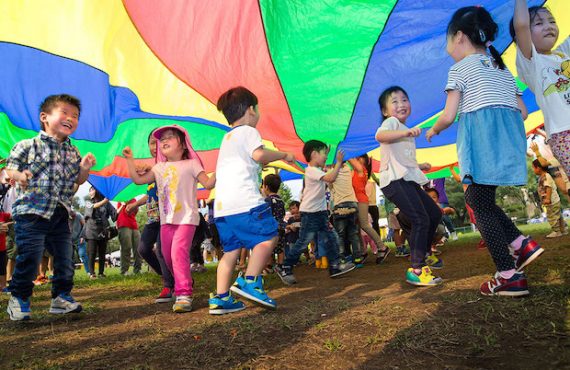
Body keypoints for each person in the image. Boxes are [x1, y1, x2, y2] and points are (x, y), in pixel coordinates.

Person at [426, 6, 543, 296]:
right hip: (507, 140)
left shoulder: (460, 69)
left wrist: (434, 129)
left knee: (478, 205)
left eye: (448, 40)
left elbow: (449, 115)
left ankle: (508, 274)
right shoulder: (502, 70)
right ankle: (521, 244)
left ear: (460, 37)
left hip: (480, 141)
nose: (448, 47)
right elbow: (524, 112)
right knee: (482, 201)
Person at [5, 94, 96, 321]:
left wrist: (84, 168)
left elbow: (78, 181)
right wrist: (19, 175)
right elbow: (9, 170)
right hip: (31, 212)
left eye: (75, 116)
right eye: (64, 112)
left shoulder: (73, 152)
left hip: (60, 212)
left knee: (65, 257)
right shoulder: (26, 146)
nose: (71, 118)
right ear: (44, 117)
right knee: (31, 255)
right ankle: (19, 298)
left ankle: (61, 297)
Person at [209, 86, 295, 315]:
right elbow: (259, 155)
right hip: (244, 200)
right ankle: (250, 281)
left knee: (231, 252)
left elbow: (247, 162)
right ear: (250, 110)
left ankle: (221, 298)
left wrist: (258, 163)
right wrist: (283, 155)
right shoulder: (248, 131)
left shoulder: (227, 139)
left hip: (222, 208)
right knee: (269, 236)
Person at [124, 125, 215, 313]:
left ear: (183, 144)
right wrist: (130, 160)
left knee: (178, 253)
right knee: (167, 256)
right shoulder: (159, 168)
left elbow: (207, 182)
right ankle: (184, 282)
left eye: (170, 137)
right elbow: (138, 180)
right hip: (166, 221)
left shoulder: (191, 164)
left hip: (187, 219)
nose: (163, 141)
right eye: (161, 139)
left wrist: (223, 170)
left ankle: (183, 293)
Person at [376, 86, 442, 287]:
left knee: (434, 214)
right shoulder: (392, 123)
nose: (401, 104)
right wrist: (405, 131)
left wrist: (420, 165)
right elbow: (379, 136)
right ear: (385, 111)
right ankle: (417, 268)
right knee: (421, 218)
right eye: (394, 101)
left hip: (405, 179)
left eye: (404, 100)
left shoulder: (402, 130)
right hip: (394, 182)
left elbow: (402, 160)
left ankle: (422, 252)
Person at [276, 140, 356, 285]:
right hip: (311, 214)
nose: (326, 157)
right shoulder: (312, 171)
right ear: (314, 154)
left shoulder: (316, 170)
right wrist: (338, 162)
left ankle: (335, 266)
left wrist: (327, 156)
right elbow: (331, 178)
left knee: (331, 238)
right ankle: (285, 267)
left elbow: (327, 174)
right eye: (324, 153)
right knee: (303, 243)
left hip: (320, 213)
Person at [512, 0, 570, 177]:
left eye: (552, 21)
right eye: (539, 23)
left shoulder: (563, 53)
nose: (548, 26)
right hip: (563, 133)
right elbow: (521, 25)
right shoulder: (531, 61)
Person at [129, 132, 175, 303]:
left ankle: (170, 285)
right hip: (152, 218)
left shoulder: (169, 165)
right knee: (143, 249)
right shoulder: (152, 168)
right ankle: (168, 277)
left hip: (166, 217)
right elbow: (150, 194)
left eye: (159, 142)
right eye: (151, 143)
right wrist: (135, 204)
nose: (154, 147)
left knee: (162, 250)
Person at [350, 155, 390, 264]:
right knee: (357, 227)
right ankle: (363, 251)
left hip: (361, 200)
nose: (357, 159)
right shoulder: (354, 171)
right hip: (355, 201)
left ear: (365, 161)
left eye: (359, 158)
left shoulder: (361, 169)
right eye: (356, 157)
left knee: (364, 225)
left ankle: (382, 247)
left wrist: (347, 150)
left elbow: (350, 158)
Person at [328, 161, 362, 263]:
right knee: (354, 233)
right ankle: (357, 258)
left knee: (340, 235)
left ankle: (341, 259)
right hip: (352, 203)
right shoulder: (348, 170)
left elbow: (330, 187)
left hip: (340, 206)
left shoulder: (331, 173)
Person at [84, 187, 117, 279]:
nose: (91, 192)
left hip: (103, 230)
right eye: (90, 190)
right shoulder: (88, 201)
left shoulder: (106, 202)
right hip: (91, 230)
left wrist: (123, 205)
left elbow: (114, 215)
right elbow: (93, 207)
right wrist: (105, 200)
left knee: (102, 252)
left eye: (93, 189)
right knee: (92, 252)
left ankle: (101, 273)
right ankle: (91, 273)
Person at [532, 160, 567, 238]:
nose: (533, 170)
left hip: (551, 201)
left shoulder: (545, 176)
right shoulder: (544, 176)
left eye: (533, 168)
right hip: (554, 200)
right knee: (558, 216)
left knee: (552, 216)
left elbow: (548, 187)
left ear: (538, 168)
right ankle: (563, 230)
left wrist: (547, 198)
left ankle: (556, 231)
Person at [262, 174, 286, 273]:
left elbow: (265, 214)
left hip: (271, 227)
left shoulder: (267, 201)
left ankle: (269, 265)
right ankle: (280, 265)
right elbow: (283, 213)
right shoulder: (281, 200)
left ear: (266, 187)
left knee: (269, 247)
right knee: (280, 247)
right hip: (280, 226)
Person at [116, 198, 142, 275]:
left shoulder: (134, 199)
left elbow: (134, 212)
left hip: (134, 224)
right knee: (126, 247)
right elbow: (124, 210)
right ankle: (124, 270)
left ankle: (137, 269)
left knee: (138, 248)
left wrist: (134, 205)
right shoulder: (121, 196)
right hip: (123, 224)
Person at [70, 210, 90, 275]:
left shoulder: (78, 215)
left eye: (73, 215)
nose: (73, 217)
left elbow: (85, 226)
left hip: (80, 239)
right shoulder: (64, 217)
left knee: (82, 254)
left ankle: (89, 272)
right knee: (70, 257)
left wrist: (82, 236)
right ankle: (70, 274)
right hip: (69, 240)